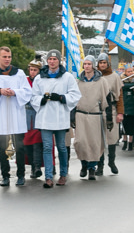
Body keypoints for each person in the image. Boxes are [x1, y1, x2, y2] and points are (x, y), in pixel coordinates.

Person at [0, 46, 32, 187]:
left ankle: (21, 175)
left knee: (20, 148)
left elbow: (28, 92)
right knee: (2, 149)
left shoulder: (20, 74)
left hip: (16, 116)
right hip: (1, 116)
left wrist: (15, 92)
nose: (7, 59)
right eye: (4, 57)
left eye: (9, 57)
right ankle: (5, 176)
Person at [31, 50, 81, 187]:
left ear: (59, 61)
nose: (52, 61)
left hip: (60, 117)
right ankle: (48, 177)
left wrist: (61, 97)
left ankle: (63, 174)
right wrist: (42, 99)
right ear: (47, 61)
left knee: (62, 147)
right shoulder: (40, 77)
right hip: (45, 117)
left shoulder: (67, 77)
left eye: (55, 59)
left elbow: (75, 95)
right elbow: (33, 96)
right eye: (50, 59)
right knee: (47, 147)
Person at [74, 56, 108, 180]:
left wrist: (107, 116)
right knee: (80, 142)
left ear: (93, 65)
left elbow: (106, 98)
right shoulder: (78, 81)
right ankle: (84, 164)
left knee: (94, 143)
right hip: (81, 114)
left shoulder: (101, 81)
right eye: (85, 64)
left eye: (89, 64)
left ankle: (92, 168)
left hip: (95, 115)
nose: (86, 66)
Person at [96, 53, 124, 175]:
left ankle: (111, 162)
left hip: (111, 110)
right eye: (100, 63)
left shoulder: (114, 77)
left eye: (104, 63)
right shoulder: (94, 76)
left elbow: (120, 96)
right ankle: (100, 165)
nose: (102, 65)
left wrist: (120, 113)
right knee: (99, 139)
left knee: (111, 138)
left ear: (108, 64)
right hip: (97, 110)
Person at [23, 59, 44, 178]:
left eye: (35, 70)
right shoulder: (24, 82)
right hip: (26, 115)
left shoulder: (42, 81)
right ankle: (32, 166)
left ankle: (37, 167)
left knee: (37, 143)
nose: (32, 72)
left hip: (38, 114)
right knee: (27, 143)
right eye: (31, 70)